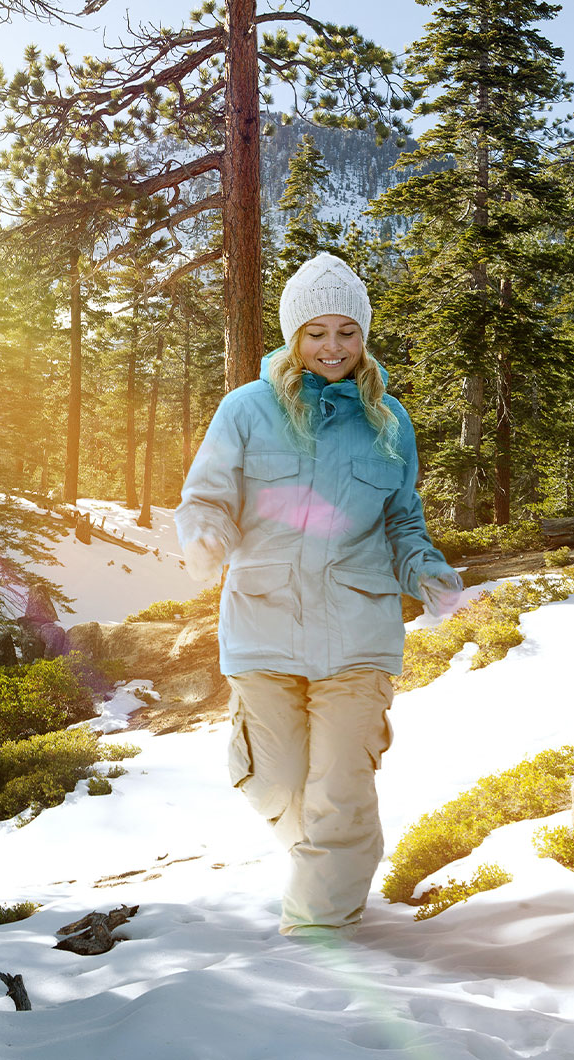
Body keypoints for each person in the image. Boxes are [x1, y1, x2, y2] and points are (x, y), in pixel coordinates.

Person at [176, 253, 463, 939]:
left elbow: (401, 521)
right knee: (275, 785)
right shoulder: (246, 410)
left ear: (363, 336)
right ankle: (340, 858)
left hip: (358, 632)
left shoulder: (388, 420)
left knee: (339, 791)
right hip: (262, 624)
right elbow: (206, 496)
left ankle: (317, 939)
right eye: (316, 332)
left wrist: (429, 576)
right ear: (291, 335)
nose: (333, 347)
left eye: (347, 332)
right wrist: (205, 539)